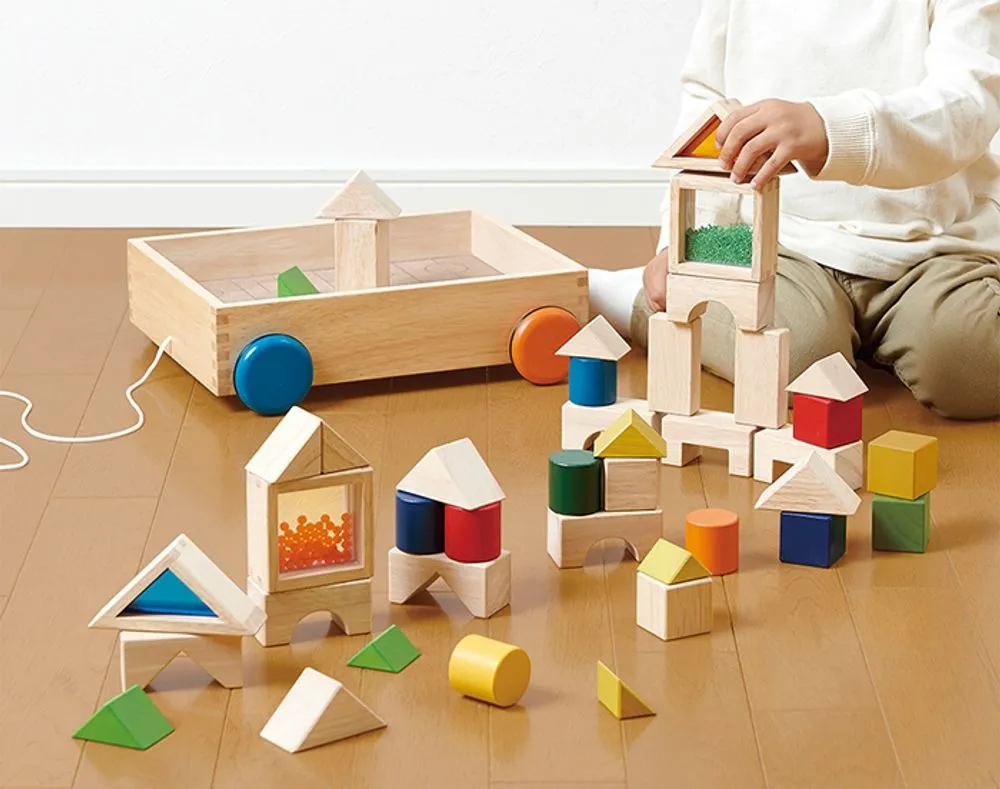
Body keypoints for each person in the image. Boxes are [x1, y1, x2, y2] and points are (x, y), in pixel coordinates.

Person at [589, 0, 1000, 419]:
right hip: (784, 243)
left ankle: (896, 334)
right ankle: (631, 298)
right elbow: (710, 109)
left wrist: (829, 128)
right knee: (795, 359)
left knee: (975, 358)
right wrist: (686, 240)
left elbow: (969, 103)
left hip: (934, 247)